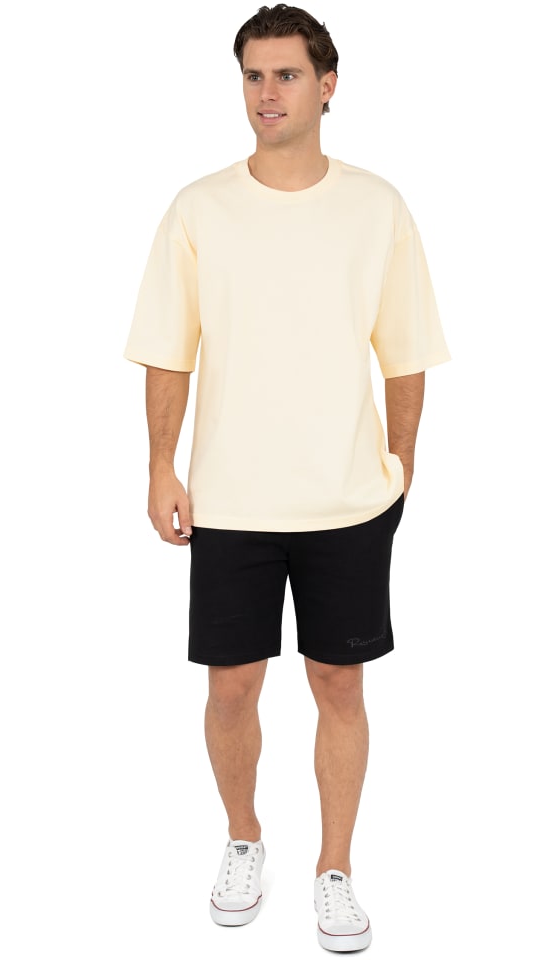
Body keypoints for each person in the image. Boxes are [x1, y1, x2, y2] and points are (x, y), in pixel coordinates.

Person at [124, 4, 450, 951]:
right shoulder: (199, 208)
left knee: (339, 684)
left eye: (288, 75)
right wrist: (159, 463)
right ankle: (244, 839)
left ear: (328, 85)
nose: (267, 93)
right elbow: (169, 349)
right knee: (231, 689)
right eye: (254, 76)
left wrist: (402, 467)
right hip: (230, 497)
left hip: (347, 497)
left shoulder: (377, 207)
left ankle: (334, 868)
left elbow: (406, 352)